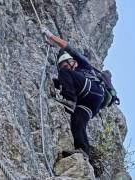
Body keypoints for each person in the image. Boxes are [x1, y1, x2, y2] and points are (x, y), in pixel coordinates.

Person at [41, 26, 104, 158]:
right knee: (77, 121)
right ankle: (83, 152)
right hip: (90, 103)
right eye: (62, 66)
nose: (64, 67)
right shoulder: (72, 77)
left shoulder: (83, 64)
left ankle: (70, 101)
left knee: (64, 74)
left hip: (93, 89)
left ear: (73, 62)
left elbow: (66, 46)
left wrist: (50, 36)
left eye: (66, 64)